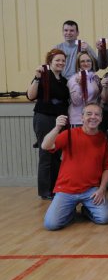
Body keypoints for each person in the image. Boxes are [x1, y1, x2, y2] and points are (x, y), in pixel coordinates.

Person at [41, 103, 108, 230]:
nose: (93, 117)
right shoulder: (69, 134)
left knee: (105, 218)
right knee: (51, 225)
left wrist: (102, 189)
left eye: (97, 114)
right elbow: (45, 146)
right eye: (89, 114)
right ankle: (70, 210)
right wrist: (57, 128)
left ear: (101, 118)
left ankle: (87, 210)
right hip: (66, 189)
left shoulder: (105, 140)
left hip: (90, 190)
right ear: (81, 118)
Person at [27, 49, 70, 200]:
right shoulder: (43, 76)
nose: (60, 63)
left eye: (63, 60)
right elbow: (31, 96)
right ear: (50, 61)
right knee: (46, 154)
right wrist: (37, 78)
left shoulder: (64, 81)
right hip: (44, 118)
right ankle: (46, 191)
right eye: (57, 60)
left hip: (60, 119)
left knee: (57, 153)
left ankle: (56, 187)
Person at [67, 51, 101, 127]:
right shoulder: (74, 79)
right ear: (78, 64)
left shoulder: (94, 77)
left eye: (88, 61)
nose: (86, 63)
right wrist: (80, 85)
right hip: (79, 120)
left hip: (93, 118)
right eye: (82, 61)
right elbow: (76, 101)